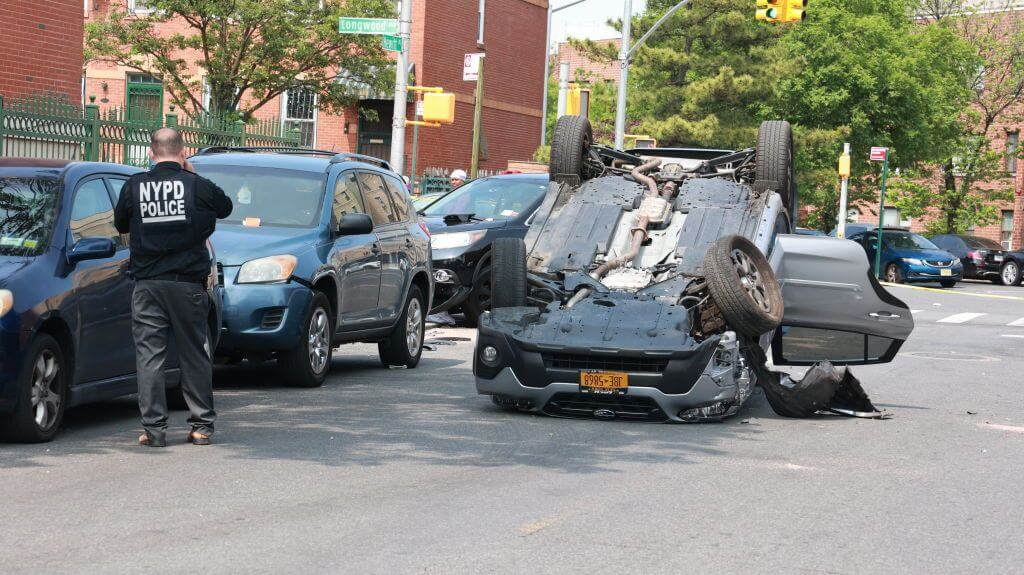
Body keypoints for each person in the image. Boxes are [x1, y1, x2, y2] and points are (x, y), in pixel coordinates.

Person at [114, 128, 233, 447]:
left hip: (148, 285)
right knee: (194, 353)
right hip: (187, 285)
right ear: (183, 152)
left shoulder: (134, 185)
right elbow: (225, 207)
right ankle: (201, 427)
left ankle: (154, 430)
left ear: (151, 153)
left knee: (150, 356)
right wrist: (192, 173)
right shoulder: (195, 185)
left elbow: (121, 224)